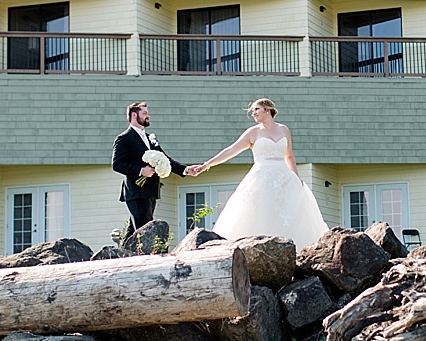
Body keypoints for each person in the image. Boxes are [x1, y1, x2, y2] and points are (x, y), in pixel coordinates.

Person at [190, 98, 328, 250]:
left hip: (284, 178)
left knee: (288, 215)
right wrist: (206, 165)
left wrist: (295, 176)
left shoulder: (283, 129)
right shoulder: (253, 132)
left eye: (256, 109)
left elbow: (289, 155)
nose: (254, 113)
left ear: (267, 110)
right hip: (261, 177)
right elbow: (231, 150)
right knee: (260, 213)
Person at [112, 102, 200, 231]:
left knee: (134, 232)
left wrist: (186, 170)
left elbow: (165, 159)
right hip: (136, 192)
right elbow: (117, 164)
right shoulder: (124, 138)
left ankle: (123, 250)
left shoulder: (150, 138)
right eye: (145, 113)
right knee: (145, 231)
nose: (148, 116)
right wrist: (141, 171)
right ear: (134, 115)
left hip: (151, 191)